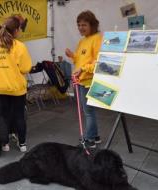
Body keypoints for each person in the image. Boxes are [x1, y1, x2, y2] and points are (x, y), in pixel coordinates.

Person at [0, 16, 32, 152]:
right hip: (17, 88)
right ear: (17, 30)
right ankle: (22, 144)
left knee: (3, 116)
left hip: (0, 89)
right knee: (19, 116)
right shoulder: (19, 46)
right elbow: (26, 68)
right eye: (19, 28)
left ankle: (5, 144)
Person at [65, 10, 102, 148]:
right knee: (88, 111)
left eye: (84, 25)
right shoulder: (82, 41)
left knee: (88, 112)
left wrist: (83, 69)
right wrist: (72, 56)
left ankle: (90, 140)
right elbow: (80, 61)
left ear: (92, 25)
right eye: (79, 25)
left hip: (88, 82)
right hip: (79, 81)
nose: (81, 28)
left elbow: (98, 62)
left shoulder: (97, 38)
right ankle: (95, 136)